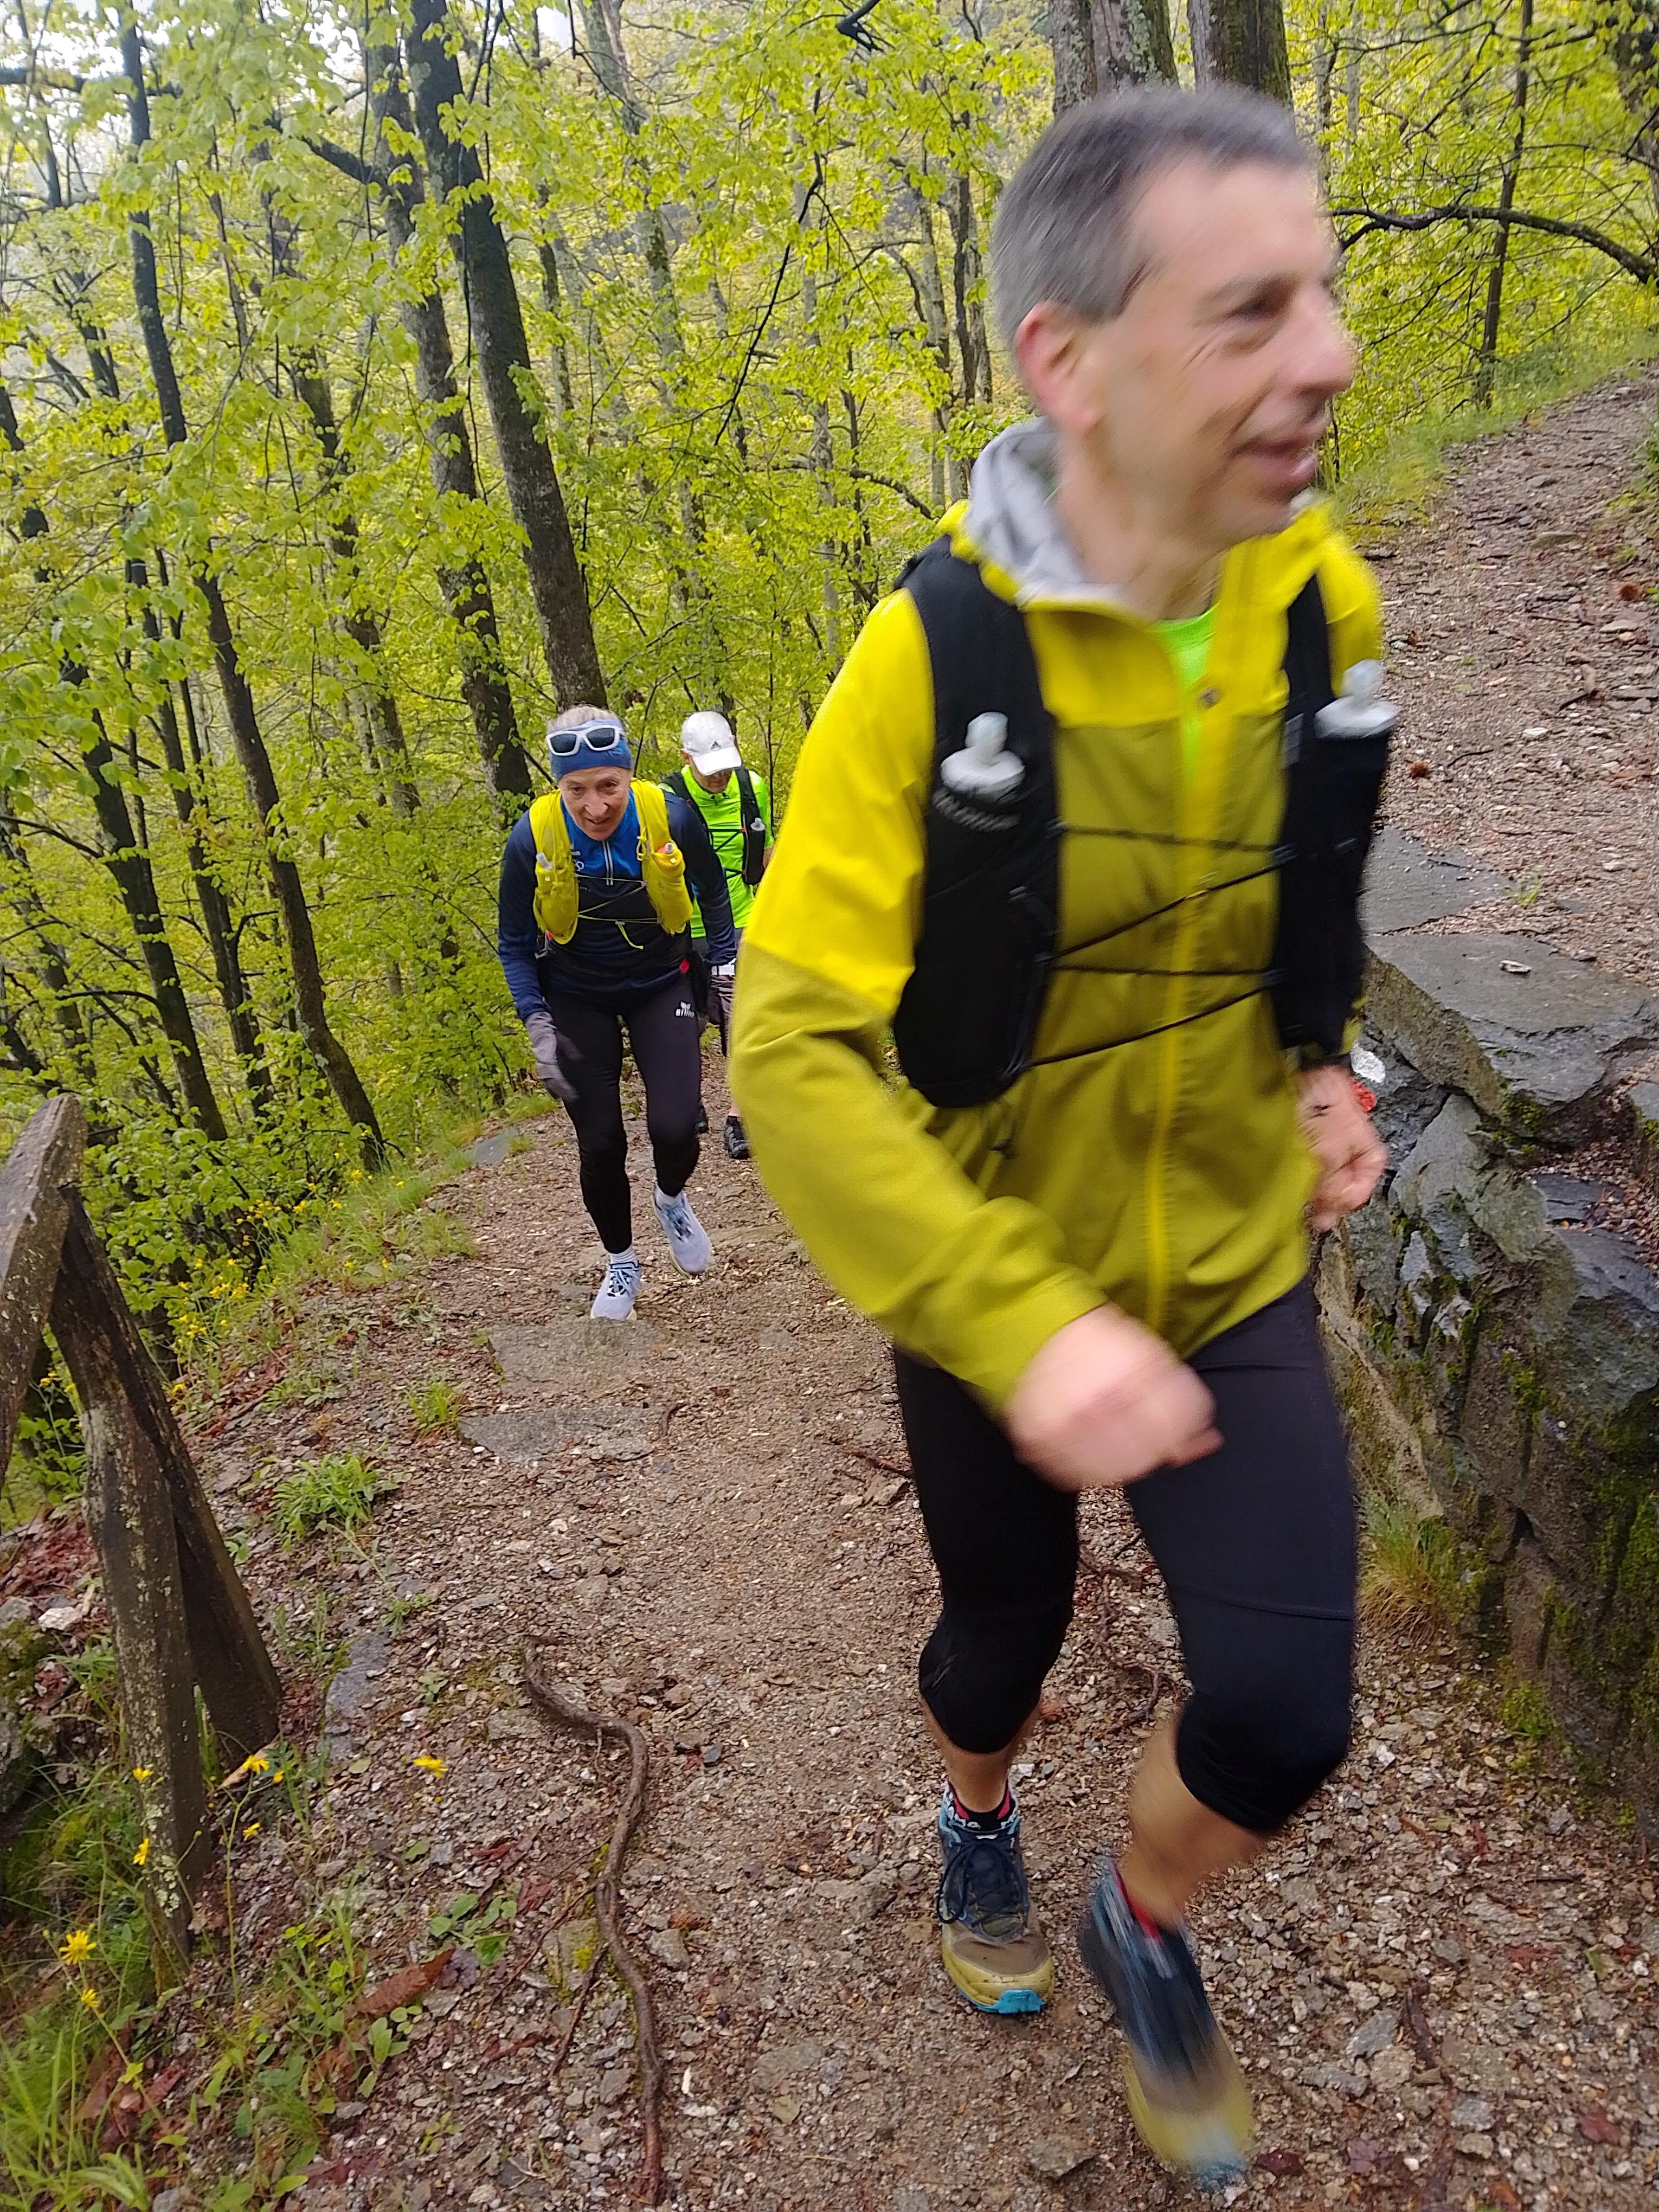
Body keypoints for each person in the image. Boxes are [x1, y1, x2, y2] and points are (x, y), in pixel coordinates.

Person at [731, 86, 1390, 2189]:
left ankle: (1144, 1915)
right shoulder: (931, 663)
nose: (1328, 356)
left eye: (1325, 298)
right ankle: (980, 1818)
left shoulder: (1321, 609)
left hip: (1233, 1263)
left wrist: (1321, 1060)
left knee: (1286, 1712)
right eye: (1253, 312)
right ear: (1070, 361)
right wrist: (1022, 1325)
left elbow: (1307, 882)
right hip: (997, 1279)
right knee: (998, 1644)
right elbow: (794, 1050)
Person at [497, 708, 737, 1322]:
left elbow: (713, 890)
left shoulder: (669, 817)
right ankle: (622, 1263)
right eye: (576, 789)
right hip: (574, 993)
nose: (595, 806)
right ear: (559, 786)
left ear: (629, 775)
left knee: (676, 1128)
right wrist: (536, 1020)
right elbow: (514, 943)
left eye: (608, 785)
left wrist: (724, 966)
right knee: (600, 1142)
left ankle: (671, 1198)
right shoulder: (531, 838)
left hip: (662, 981)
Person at [667, 710, 773, 1160]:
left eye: (727, 765)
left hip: (742, 918)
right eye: (710, 769)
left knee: (741, 1020)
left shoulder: (752, 788)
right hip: (683, 925)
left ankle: (738, 1116)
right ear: (686, 758)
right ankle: (688, 1100)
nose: (720, 777)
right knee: (685, 1022)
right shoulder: (665, 800)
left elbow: (767, 853)